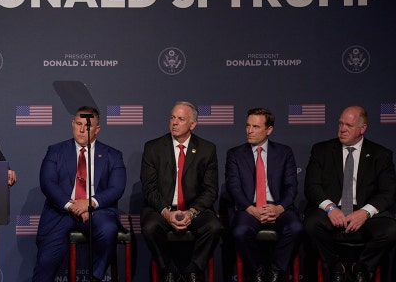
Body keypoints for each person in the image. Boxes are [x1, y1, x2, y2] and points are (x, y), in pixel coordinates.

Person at [32, 106, 126, 282]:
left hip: (96, 211)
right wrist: (72, 206)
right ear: (72, 124)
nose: (82, 129)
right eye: (78, 124)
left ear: (97, 129)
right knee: (45, 261)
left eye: (88, 126)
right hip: (61, 212)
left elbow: (117, 188)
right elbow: (48, 182)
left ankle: (96, 277)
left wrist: (89, 203)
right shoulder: (55, 151)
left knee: (108, 229)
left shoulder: (112, 155)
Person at [304, 105, 396, 282]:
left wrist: (364, 212)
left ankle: (362, 266)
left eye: (349, 125)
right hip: (332, 209)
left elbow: (388, 192)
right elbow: (312, 186)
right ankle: (334, 265)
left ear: (363, 129)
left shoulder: (381, 154)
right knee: (311, 224)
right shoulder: (321, 150)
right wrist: (330, 208)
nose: (342, 129)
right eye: (340, 124)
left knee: (391, 230)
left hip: (364, 210)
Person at [140, 101, 222, 282]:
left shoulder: (207, 149)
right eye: (172, 118)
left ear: (192, 124)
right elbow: (149, 188)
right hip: (162, 209)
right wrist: (166, 212)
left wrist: (192, 212)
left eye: (181, 119)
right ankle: (168, 269)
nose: (174, 123)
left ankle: (193, 269)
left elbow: (210, 190)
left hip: (194, 209)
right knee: (150, 227)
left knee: (214, 226)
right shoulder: (153, 148)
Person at [225, 108, 303, 282]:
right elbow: (234, 188)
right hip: (249, 208)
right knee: (240, 231)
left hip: (278, 206)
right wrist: (251, 209)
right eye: (247, 126)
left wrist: (279, 208)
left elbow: (291, 186)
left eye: (255, 126)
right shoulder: (235, 154)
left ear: (269, 130)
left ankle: (277, 268)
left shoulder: (284, 152)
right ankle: (257, 269)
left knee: (296, 228)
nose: (249, 131)